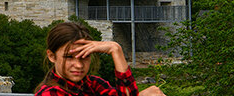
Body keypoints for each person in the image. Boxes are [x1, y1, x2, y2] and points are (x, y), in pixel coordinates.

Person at [35, 21, 165, 96]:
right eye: (69, 57)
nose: (78, 65)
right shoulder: (50, 93)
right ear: (52, 56)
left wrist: (115, 50)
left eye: (85, 57)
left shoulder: (93, 84)